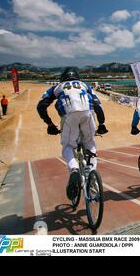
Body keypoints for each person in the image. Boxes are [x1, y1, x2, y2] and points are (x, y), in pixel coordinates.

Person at [37, 68, 108, 200]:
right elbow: (98, 105)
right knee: (90, 142)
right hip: (88, 114)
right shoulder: (85, 85)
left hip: (68, 115)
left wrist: (50, 124)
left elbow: (41, 106)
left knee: (68, 146)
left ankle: (74, 169)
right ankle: (91, 171)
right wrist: (102, 124)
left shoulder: (56, 87)